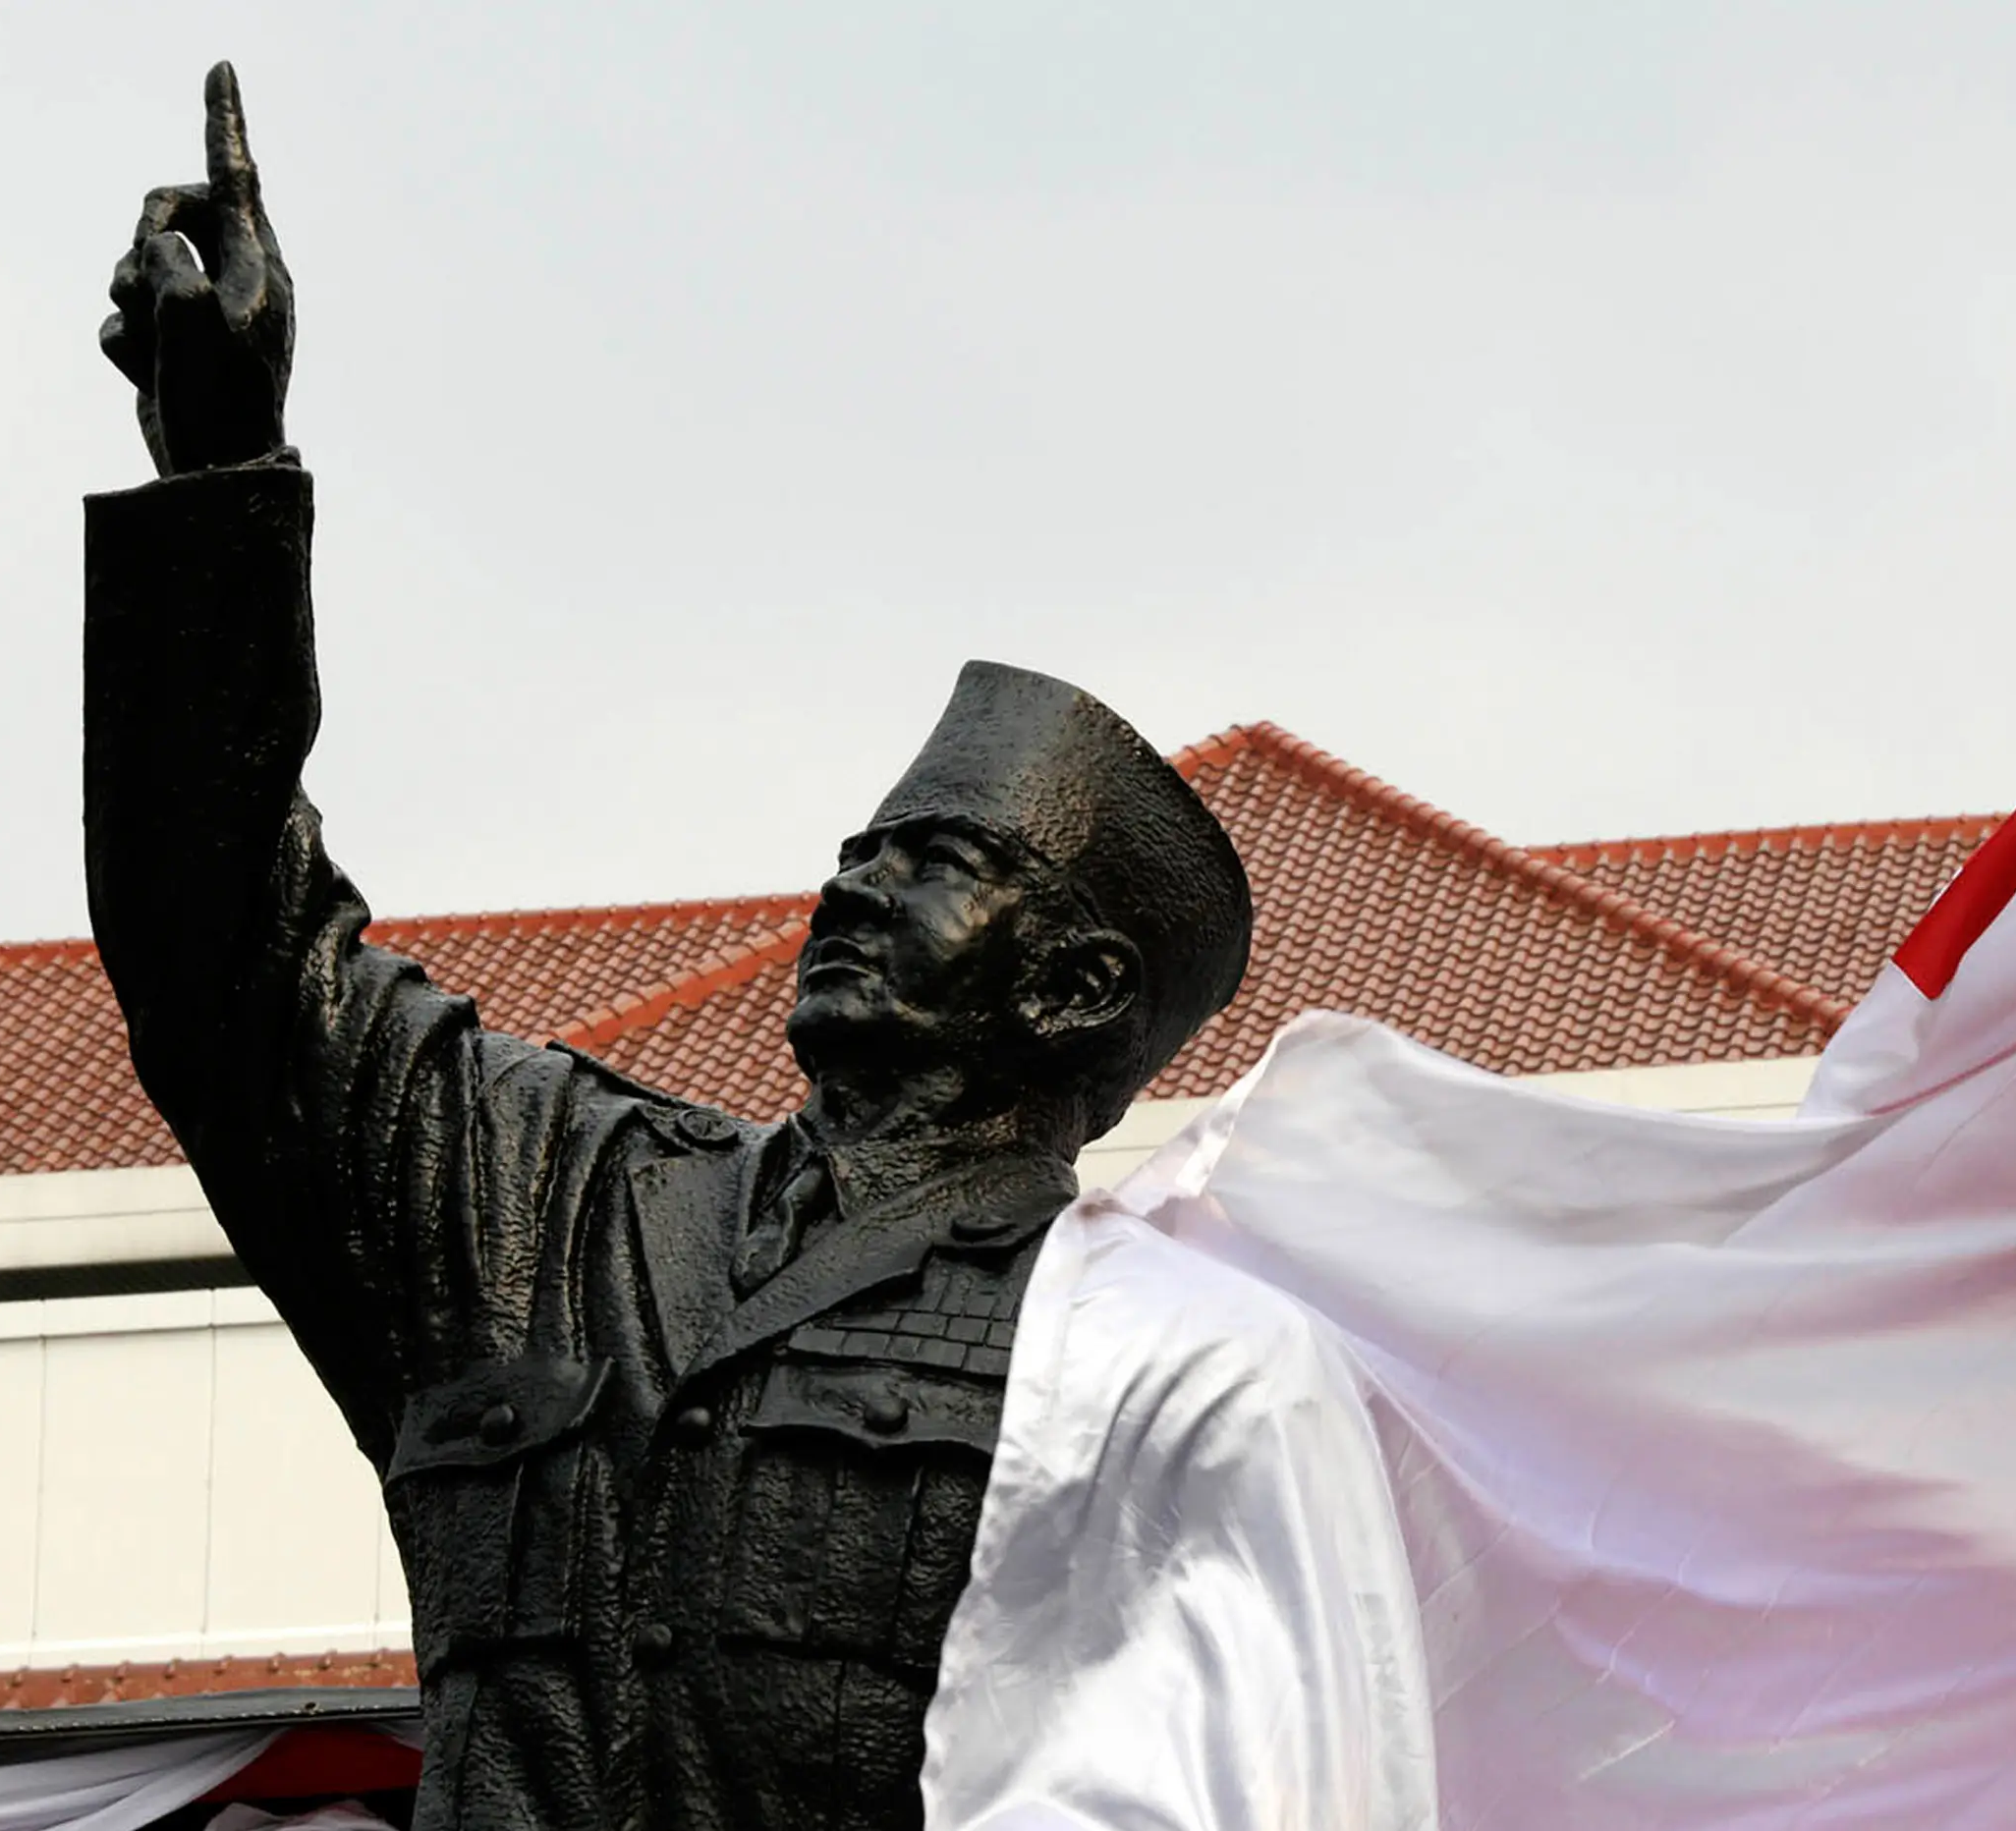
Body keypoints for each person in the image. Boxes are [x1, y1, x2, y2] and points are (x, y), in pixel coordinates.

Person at [84, 64, 1276, 1831]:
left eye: (935, 867)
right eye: (857, 854)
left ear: (1077, 989)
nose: (851, 893)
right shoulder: (556, 1204)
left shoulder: (1141, 1348)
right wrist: (224, 483)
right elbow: (226, 958)